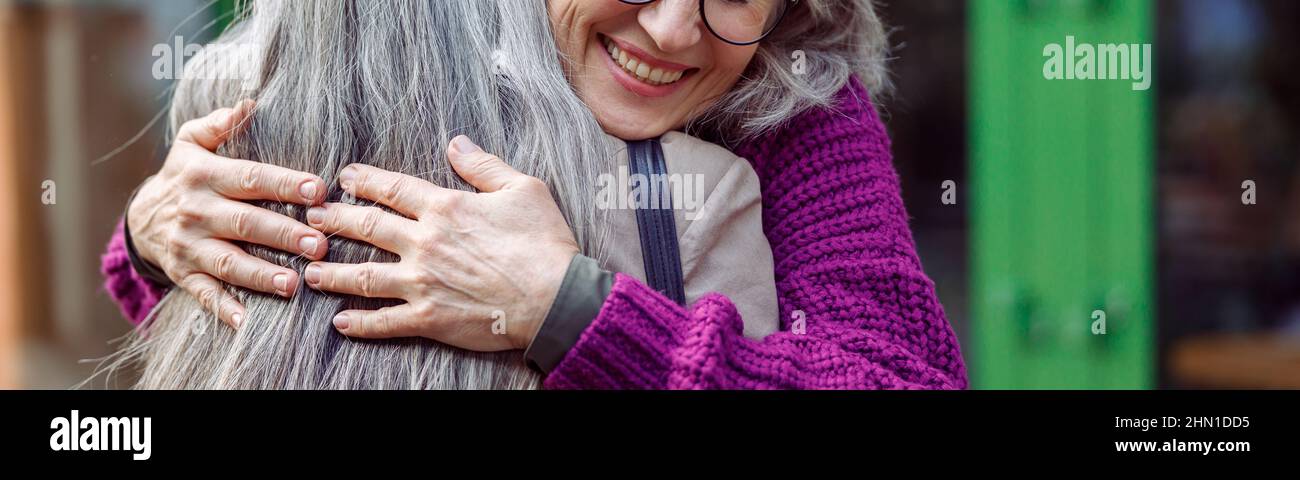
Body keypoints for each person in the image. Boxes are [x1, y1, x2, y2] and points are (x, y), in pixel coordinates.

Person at [102, 0, 968, 389]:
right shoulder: (418, 42)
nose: (672, 32)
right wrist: (150, 238)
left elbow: (901, 381)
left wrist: (571, 311)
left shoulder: (796, 99)